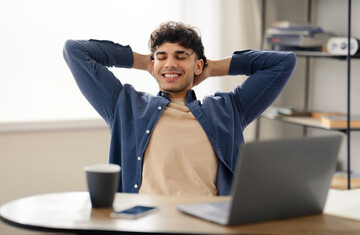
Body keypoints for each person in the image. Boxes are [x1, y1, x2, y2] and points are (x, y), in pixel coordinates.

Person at [63, 21, 296, 197]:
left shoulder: (228, 109)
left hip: (205, 227)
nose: (170, 63)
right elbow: (75, 51)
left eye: (181, 56)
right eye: (162, 57)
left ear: (198, 65)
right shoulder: (126, 106)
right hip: (144, 227)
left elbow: (283, 62)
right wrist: (145, 62)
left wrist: (211, 68)